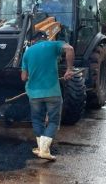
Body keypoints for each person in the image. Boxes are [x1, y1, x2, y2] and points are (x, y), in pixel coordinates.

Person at [21, 32, 74, 161]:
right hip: (52, 92)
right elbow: (70, 49)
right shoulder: (53, 45)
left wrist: (32, 76)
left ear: (33, 40)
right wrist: (69, 69)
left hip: (34, 94)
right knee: (53, 121)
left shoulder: (27, 52)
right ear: (46, 38)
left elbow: (23, 78)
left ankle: (41, 148)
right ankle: (44, 150)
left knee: (37, 120)